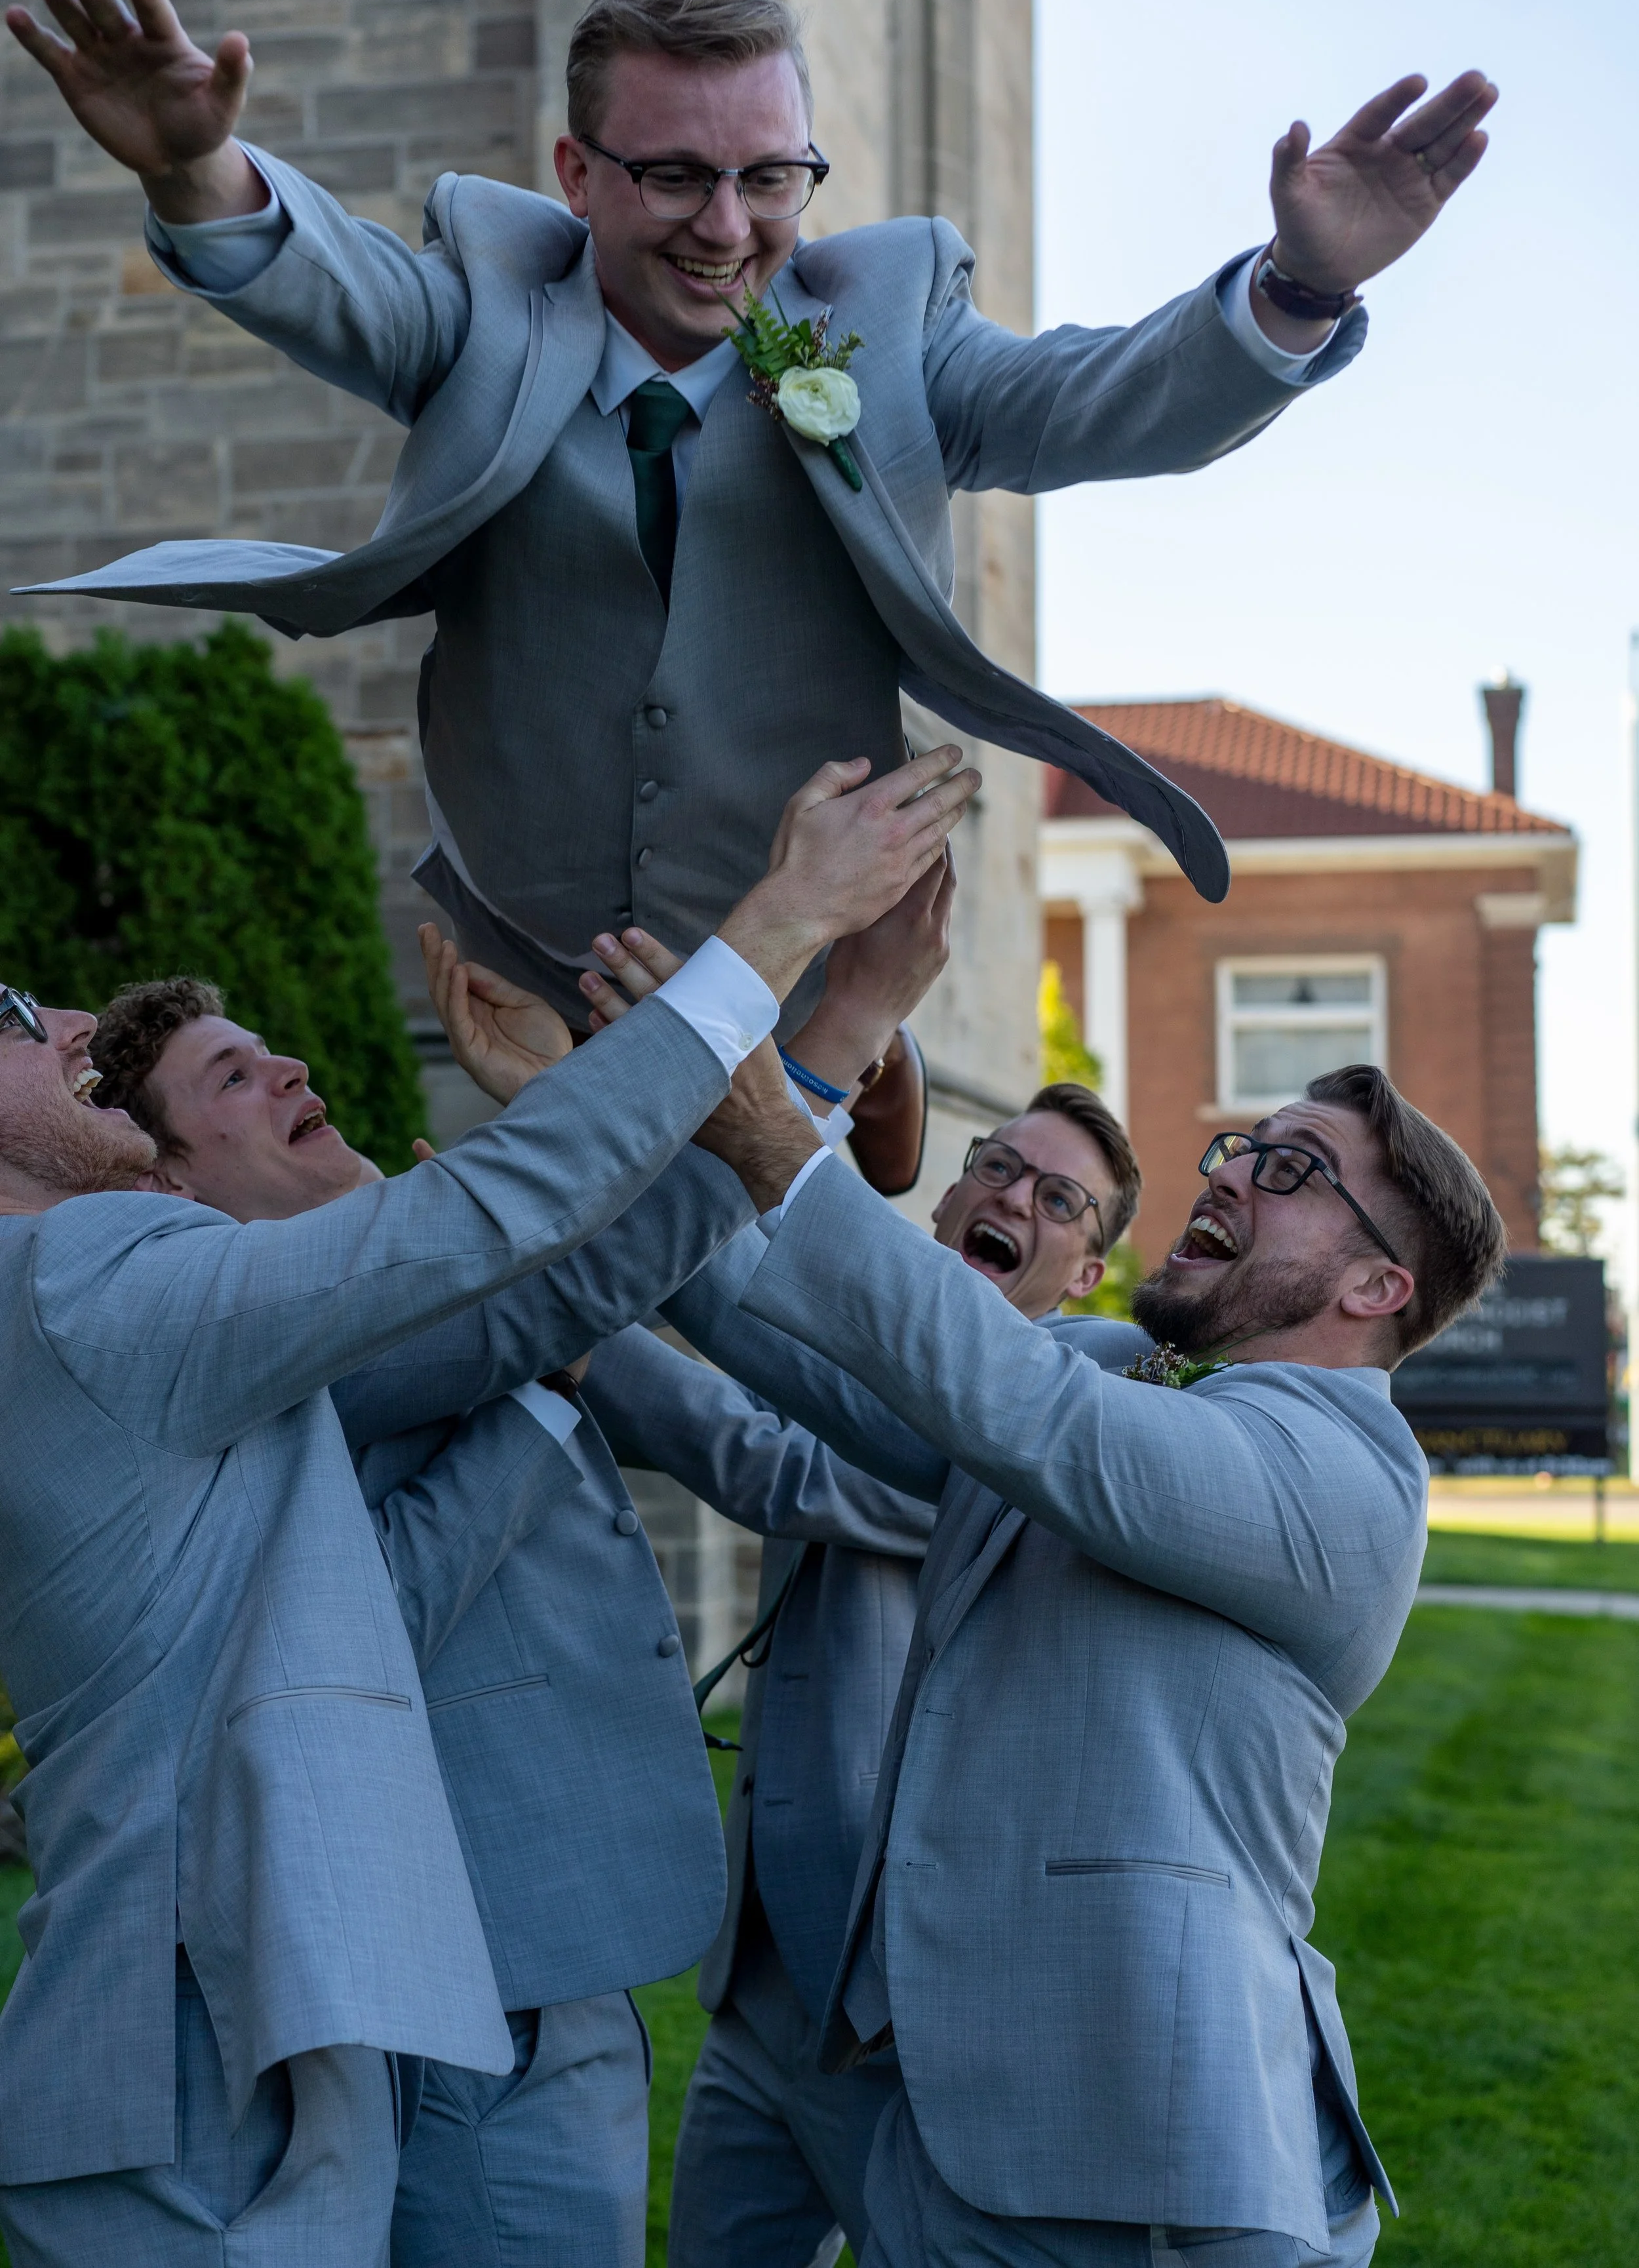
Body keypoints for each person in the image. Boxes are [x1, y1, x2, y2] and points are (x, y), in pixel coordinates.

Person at [9, 0, 1495, 1023]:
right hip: (513, 990)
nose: (728, 228)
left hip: (790, 1002)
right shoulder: (485, 308)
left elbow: (1099, 404)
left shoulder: (890, 332)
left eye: (769, 178)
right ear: (575, 173)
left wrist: (1296, 285)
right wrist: (198, 174)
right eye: (672, 179)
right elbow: (330, 286)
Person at [0, 747, 972, 2268]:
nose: (58, 1016)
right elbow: (514, 1234)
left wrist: (829, 1026)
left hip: (268, 2027)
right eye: (12, 1017)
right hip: (191, 2052)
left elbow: (567, 1270)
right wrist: (785, 930)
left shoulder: (112, 1296)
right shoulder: (85, 1282)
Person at [586, 927, 1503, 2268]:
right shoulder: (1115, 1367)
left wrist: (786, 1142)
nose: (1235, 1170)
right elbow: (826, 1360)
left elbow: (1015, 1408)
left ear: (1376, 1287)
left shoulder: (1345, 1476)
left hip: (1155, 2172)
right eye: (1242, 1147)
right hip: (955, 2137)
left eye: (1292, 1170)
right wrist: (611, 1115)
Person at [582, 1077, 1146, 2268]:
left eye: (1061, 1200)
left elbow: (768, 1462)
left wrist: (578, 1327)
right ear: (949, 1194)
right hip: (763, 1977)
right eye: (997, 1165)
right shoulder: (868, 1347)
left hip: (895, 2005)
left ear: (1087, 1272)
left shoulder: (1038, 1417)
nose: (1015, 1199)